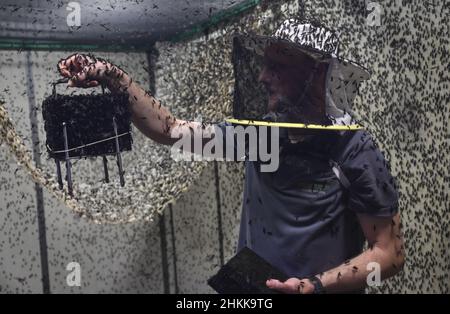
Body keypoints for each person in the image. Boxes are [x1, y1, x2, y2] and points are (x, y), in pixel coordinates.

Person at [57, 18, 405, 294]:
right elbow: (171, 131)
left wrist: (312, 286)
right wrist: (112, 76)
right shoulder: (259, 133)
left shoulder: (354, 149)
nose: (262, 76)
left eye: (277, 66)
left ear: (314, 75)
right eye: (264, 64)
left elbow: (388, 254)